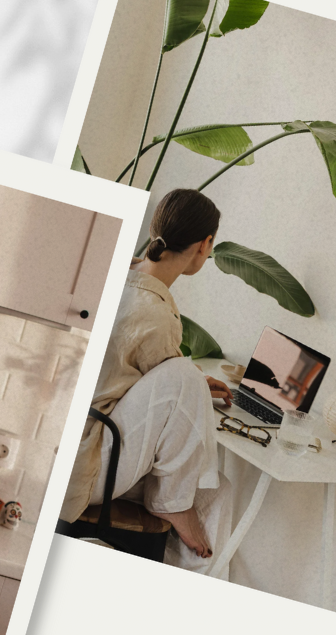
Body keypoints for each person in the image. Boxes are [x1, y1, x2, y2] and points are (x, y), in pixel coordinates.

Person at [60, 189, 233, 563]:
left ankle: (176, 508)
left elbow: (132, 375)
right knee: (217, 492)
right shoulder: (154, 313)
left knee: (188, 382)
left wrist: (191, 384)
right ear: (205, 245)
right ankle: (174, 507)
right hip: (90, 461)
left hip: (79, 437)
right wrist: (190, 383)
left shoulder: (120, 275)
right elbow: (165, 382)